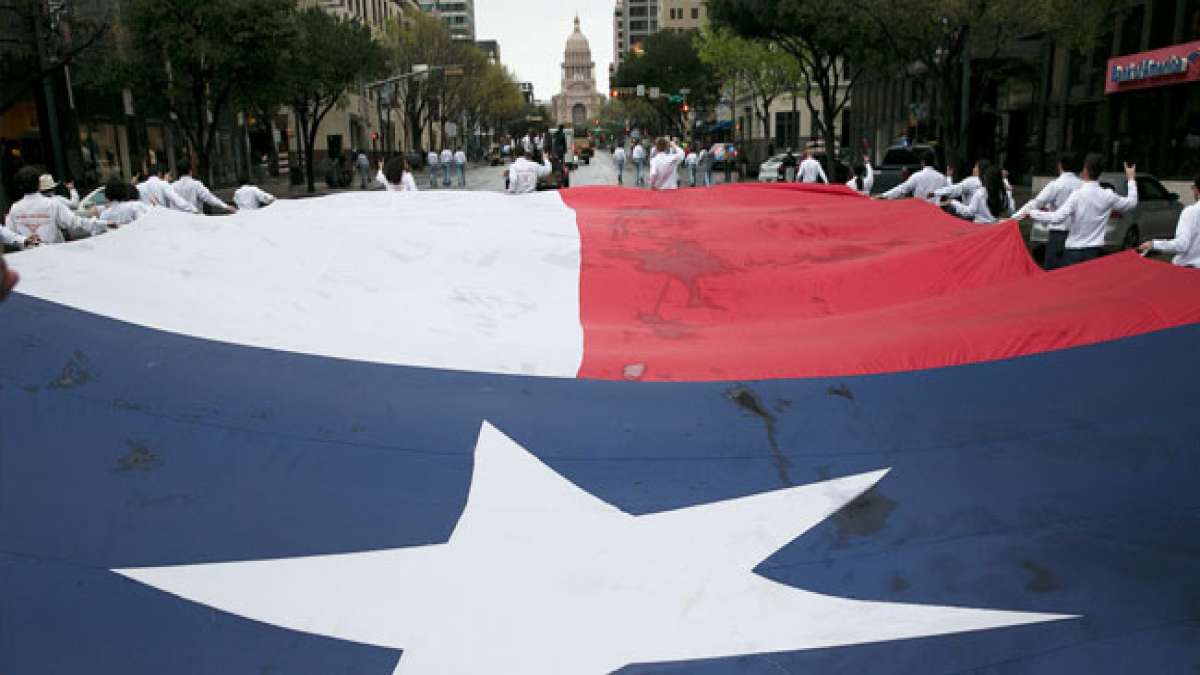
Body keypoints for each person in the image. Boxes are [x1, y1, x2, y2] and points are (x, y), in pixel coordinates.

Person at [1028, 155, 1138, 267]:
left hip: (1073, 250)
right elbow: (1132, 202)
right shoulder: (1107, 195)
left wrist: (1032, 213)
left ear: (1085, 170)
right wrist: (1131, 179)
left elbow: (1057, 217)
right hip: (1093, 251)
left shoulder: (1077, 195)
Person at [1012, 153, 1083, 270]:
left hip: (1058, 235)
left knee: (1053, 273)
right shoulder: (1082, 185)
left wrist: (1013, 218)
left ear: (1060, 165)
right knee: (1074, 273)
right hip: (1078, 236)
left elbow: (1035, 204)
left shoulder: (1056, 185)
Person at [6, 166, 108, 244]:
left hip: (28, 260)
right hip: (55, 254)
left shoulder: (14, 209)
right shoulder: (53, 204)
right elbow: (76, 222)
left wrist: (25, 242)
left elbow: (10, 235)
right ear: (38, 184)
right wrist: (104, 224)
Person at [1138, 175, 1200, 267]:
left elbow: (1182, 245)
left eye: (1193, 187)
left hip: (1189, 270)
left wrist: (1153, 244)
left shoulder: (1191, 212)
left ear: (1198, 190)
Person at [944, 164, 1014, 224]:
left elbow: (969, 212)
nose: (973, 169)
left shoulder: (980, 192)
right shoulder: (1004, 193)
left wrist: (953, 202)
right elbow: (1010, 211)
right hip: (995, 228)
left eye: (976, 167)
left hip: (979, 226)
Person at [879, 153, 947, 203]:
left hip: (919, 210)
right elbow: (948, 192)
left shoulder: (916, 176)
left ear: (923, 162)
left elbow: (902, 189)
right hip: (936, 213)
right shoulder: (941, 178)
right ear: (934, 162)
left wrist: (884, 196)